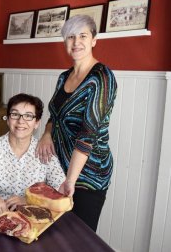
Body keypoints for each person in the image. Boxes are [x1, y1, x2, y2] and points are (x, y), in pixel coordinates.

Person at [36, 15, 117, 232]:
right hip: (59, 168)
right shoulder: (64, 77)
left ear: (94, 40)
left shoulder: (101, 77)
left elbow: (88, 133)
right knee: (55, 234)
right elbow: (55, 116)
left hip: (88, 173)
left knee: (80, 237)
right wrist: (46, 134)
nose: (76, 42)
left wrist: (70, 180)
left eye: (83, 35)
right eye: (70, 37)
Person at [0, 93, 66, 217]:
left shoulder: (45, 150)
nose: (21, 121)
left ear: (37, 123)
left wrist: (30, 201)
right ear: (8, 119)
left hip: (35, 217)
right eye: (15, 114)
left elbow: (61, 192)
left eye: (28, 116)